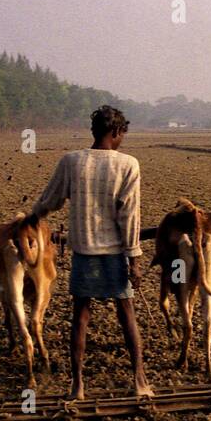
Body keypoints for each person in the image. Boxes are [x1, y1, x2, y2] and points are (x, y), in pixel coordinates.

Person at [31, 106, 152, 400]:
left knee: (80, 318)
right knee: (127, 315)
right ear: (116, 133)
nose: (122, 139)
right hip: (114, 253)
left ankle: (78, 387)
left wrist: (32, 217)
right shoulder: (128, 165)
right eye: (122, 134)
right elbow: (129, 216)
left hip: (83, 253)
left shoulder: (72, 161)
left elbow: (51, 199)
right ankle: (139, 381)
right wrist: (134, 260)